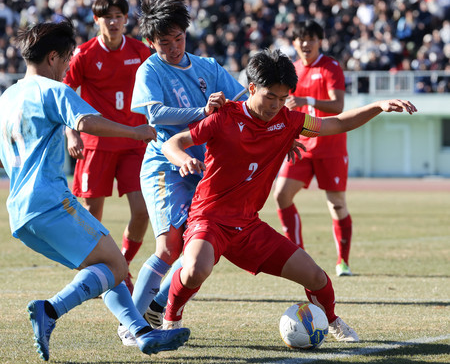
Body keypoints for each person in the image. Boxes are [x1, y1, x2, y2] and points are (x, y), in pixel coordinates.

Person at [160, 49, 417, 345]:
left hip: (249, 227)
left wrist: (378, 106)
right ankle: (171, 318)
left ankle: (331, 320)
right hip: (210, 219)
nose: (276, 105)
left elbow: (337, 123)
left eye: (283, 98)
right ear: (252, 88)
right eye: (271, 97)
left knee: (318, 278)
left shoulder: (289, 121)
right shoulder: (225, 116)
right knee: (194, 269)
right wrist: (183, 160)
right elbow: (174, 142)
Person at [0, 19, 189, 361]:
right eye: (68, 57)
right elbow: (85, 122)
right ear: (54, 57)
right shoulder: (52, 90)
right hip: (50, 202)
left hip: (20, 213)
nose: (70, 64)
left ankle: (142, 333)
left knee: (100, 270)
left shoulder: (8, 96)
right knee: (116, 265)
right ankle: (50, 310)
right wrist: (135, 132)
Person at [117, 0, 247, 345]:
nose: (174, 48)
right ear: (150, 42)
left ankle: (157, 307)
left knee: (200, 248)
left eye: (179, 39)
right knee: (168, 248)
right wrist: (203, 112)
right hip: (164, 166)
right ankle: (130, 322)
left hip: (203, 169)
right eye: (164, 42)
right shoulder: (150, 70)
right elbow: (155, 115)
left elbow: (242, 103)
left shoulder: (209, 67)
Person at [64, 0, 152, 294]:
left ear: (126, 19)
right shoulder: (84, 54)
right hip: (96, 146)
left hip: (132, 144)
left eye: (118, 16)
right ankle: (98, 274)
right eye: (107, 17)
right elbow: (65, 94)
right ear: (96, 19)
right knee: (90, 217)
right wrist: (71, 132)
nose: (113, 22)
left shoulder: (141, 51)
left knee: (142, 211)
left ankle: (121, 267)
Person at [273, 20, 353, 276]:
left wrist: (306, 99)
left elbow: (337, 105)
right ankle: (298, 254)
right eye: (300, 39)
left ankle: (343, 261)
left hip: (330, 147)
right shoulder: (292, 70)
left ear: (320, 40)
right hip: (301, 146)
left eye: (310, 38)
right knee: (281, 195)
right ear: (294, 43)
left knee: (337, 205)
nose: (305, 43)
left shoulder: (330, 67)